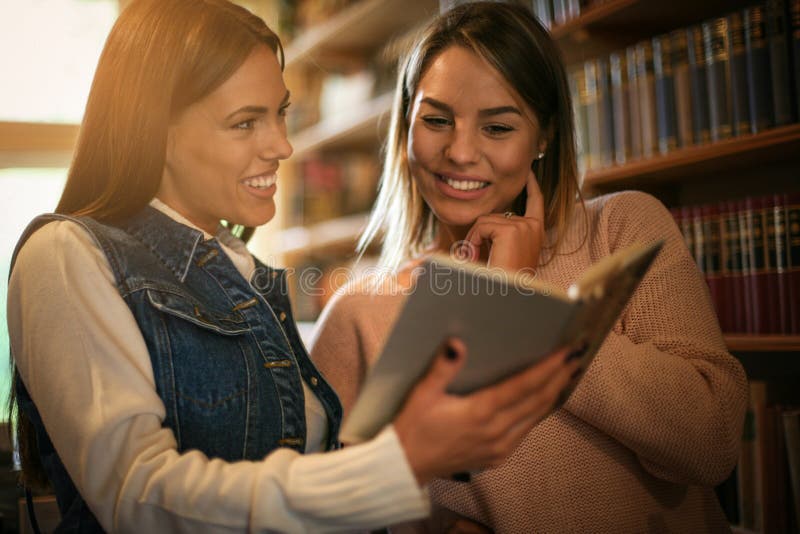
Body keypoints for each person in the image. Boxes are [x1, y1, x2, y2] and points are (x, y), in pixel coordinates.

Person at [5, 1, 582, 532]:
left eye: (280, 114)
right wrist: (399, 464)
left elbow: (308, 482)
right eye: (245, 122)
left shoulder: (246, 279)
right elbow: (139, 499)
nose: (282, 145)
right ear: (153, 129)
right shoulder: (66, 255)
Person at [310, 2, 749, 532]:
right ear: (406, 127)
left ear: (543, 137)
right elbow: (326, 508)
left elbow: (712, 444)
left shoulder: (623, 227)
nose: (460, 151)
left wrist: (523, 302)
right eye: (436, 120)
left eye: (497, 127)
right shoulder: (360, 312)